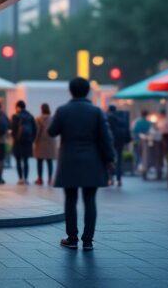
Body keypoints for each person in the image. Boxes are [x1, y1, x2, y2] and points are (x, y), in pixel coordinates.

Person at [49, 78, 115, 251]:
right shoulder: (96, 112)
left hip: (69, 161)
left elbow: (52, 131)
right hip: (92, 161)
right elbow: (106, 138)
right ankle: (87, 241)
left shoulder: (63, 111)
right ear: (87, 91)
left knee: (70, 200)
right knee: (90, 200)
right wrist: (110, 159)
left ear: (71, 91)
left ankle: (72, 239)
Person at [11, 100, 37, 185]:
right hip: (27, 142)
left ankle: (20, 179)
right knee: (26, 161)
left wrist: (14, 137)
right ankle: (26, 179)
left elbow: (13, 129)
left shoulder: (15, 116)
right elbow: (35, 129)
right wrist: (31, 139)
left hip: (18, 142)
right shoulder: (30, 116)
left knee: (18, 160)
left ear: (18, 107)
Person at [106, 105, 131, 186]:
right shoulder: (121, 117)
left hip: (111, 141)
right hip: (120, 141)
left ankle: (110, 178)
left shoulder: (108, 117)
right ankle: (119, 179)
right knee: (119, 159)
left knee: (110, 159)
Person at [34, 103, 58, 186]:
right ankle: (50, 179)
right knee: (49, 161)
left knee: (39, 161)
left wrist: (35, 140)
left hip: (41, 141)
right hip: (51, 141)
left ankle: (40, 179)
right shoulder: (53, 118)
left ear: (41, 109)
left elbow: (37, 131)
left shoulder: (38, 119)